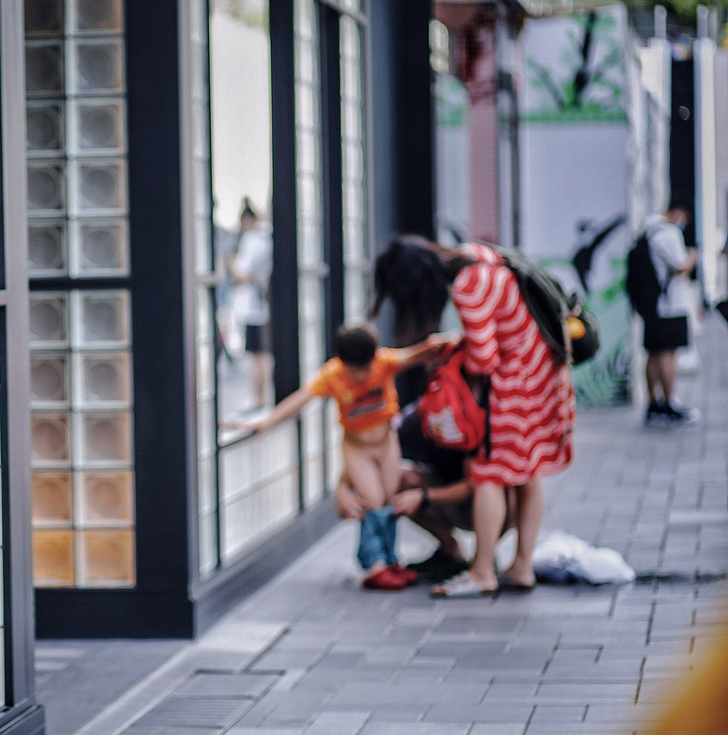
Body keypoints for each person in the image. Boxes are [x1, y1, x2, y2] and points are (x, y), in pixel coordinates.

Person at [372, 235, 575, 598]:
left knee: (487, 472)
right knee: (527, 474)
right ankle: (522, 565)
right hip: (544, 376)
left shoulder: (468, 284)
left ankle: (482, 572)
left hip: (513, 387)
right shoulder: (481, 256)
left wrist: (451, 355)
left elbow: (484, 358)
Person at [232, 323, 449, 590]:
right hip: (358, 449)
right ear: (343, 363)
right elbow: (302, 397)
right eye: (356, 371)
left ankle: (391, 559)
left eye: (366, 369)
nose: (362, 376)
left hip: (386, 444)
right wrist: (268, 420)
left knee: (389, 500)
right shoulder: (333, 375)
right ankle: (374, 564)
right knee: (373, 501)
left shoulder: (383, 362)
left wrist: (440, 344)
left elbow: (416, 354)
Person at [335, 402, 516, 584]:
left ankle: (485, 558)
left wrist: (424, 497)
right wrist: (343, 490)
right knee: (400, 477)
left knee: (498, 486)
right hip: (448, 500)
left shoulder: (478, 416)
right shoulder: (417, 420)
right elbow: (374, 451)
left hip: (492, 503)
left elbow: (476, 484)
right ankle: (450, 551)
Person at [637, 203, 700, 426]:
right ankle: (668, 402)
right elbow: (681, 266)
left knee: (654, 352)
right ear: (679, 211)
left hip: (652, 303)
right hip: (669, 304)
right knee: (667, 353)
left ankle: (653, 402)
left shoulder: (647, 229)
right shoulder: (667, 233)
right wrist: (693, 256)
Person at [229, 199, 273, 409]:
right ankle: (261, 399)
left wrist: (230, 262)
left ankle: (258, 399)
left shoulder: (252, 240)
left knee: (256, 356)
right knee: (261, 356)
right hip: (262, 305)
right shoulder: (266, 239)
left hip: (253, 307)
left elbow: (242, 273)